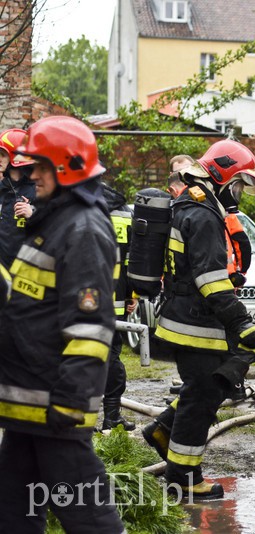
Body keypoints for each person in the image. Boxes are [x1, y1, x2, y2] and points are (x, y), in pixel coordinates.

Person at [0, 115, 125, 532]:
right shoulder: (51, 222)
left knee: (89, 519)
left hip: (57, 408)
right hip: (30, 405)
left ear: (64, 168)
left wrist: (70, 404)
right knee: (14, 515)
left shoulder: (82, 229)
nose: (29, 174)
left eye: (38, 166)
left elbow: (90, 328)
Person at [142, 139, 255, 500]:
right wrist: (243, 323)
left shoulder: (194, 206)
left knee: (208, 388)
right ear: (225, 178)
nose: (240, 193)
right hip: (196, 323)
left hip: (188, 318)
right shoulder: (201, 213)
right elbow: (209, 280)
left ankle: (164, 431)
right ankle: (183, 479)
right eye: (240, 184)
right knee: (201, 398)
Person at [101, 182, 138, 431]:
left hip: (80, 297)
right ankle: (111, 416)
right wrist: (133, 293)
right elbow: (134, 258)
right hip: (117, 298)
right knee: (112, 355)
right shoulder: (125, 211)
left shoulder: (78, 205)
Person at [0, 128, 36, 267]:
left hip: (23, 271)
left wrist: (32, 214)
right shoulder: (1, 189)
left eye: (3, 155)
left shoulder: (38, 190)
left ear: (16, 157)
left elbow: (53, 228)